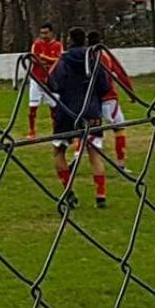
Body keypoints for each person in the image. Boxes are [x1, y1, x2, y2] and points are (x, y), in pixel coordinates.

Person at [50, 28, 110, 208]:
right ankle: (101, 195)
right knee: (95, 155)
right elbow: (105, 85)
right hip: (91, 111)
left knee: (58, 152)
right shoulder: (94, 58)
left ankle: (68, 191)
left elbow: (53, 83)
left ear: (69, 40)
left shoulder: (63, 60)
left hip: (67, 111)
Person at [87, 31, 133, 171]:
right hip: (108, 98)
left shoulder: (84, 56)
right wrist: (130, 92)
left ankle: (76, 157)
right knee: (119, 128)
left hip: (89, 101)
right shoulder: (105, 55)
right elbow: (120, 73)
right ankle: (121, 164)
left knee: (90, 131)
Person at [27, 22, 63, 139]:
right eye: (41, 33)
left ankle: (55, 131)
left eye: (46, 33)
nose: (43, 36)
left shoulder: (58, 45)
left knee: (54, 108)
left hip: (52, 80)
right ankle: (31, 131)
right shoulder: (36, 44)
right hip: (37, 79)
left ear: (51, 33)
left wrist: (44, 58)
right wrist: (47, 60)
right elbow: (34, 59)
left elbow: (58, 60)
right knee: (32, 107)